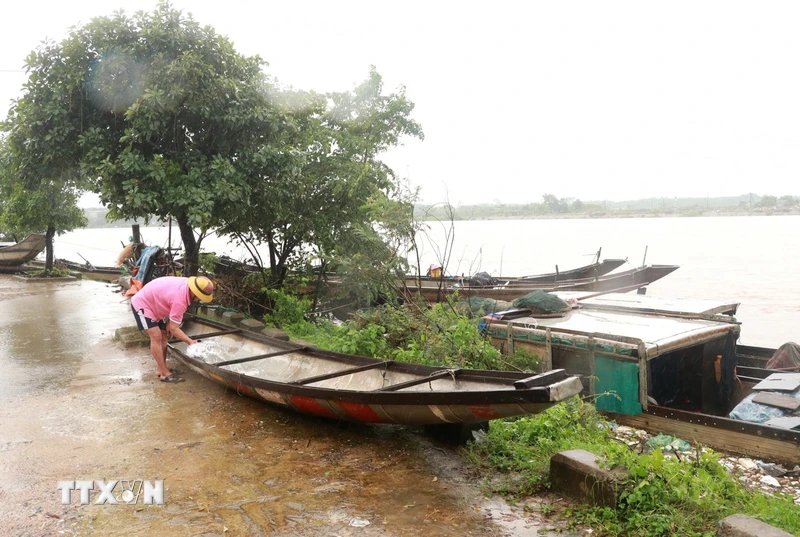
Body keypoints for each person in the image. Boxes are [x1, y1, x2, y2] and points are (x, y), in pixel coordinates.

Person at [130, 275, 215, 383]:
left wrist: (170, 324)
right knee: (156, 336)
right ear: (194, 292)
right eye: (200, 296)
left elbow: (172, 320)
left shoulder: (187, 285)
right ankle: (164, 374)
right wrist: (190, 341)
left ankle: (160, 369)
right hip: (142, 303)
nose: (199, 299)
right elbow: (174, 328)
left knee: (164, 335)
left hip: (155, 303)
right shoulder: (180, 300)